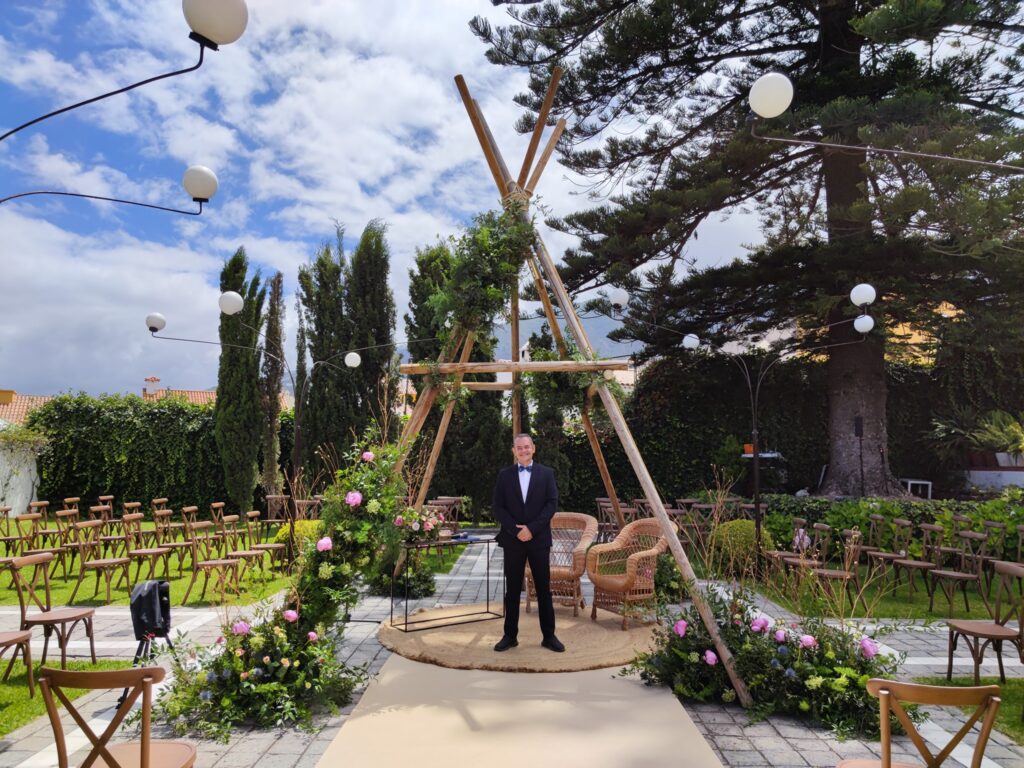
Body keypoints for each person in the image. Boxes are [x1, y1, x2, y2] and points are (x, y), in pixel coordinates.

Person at [491, 433, 564, 652]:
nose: (523, 450)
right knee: (512, 590)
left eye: (527, 447)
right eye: (519, 448)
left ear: (534, 448)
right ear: (514, 451)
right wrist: (516, 530)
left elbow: (551, 505)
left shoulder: (547, 474)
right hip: (513, 540)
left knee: (543, 589)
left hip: (539, 539)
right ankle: (509, 636)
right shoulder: (504, 476)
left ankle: (549, 636)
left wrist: (532, 529)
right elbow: (497, 507)